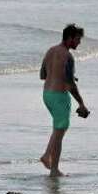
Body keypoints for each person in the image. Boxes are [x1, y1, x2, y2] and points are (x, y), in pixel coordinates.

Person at [39, 24, 89, 177]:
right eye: (77, 39)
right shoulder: (68, 56)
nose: (79, 43)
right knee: (60, 132)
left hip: (47, 95)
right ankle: (54, 169)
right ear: (69, 38)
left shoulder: (51, 50)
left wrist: (62, 75)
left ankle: (47, 156)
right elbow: (70, 85)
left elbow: (43, 75)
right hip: (60, 96)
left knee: (58, 128)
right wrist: (81, 103)